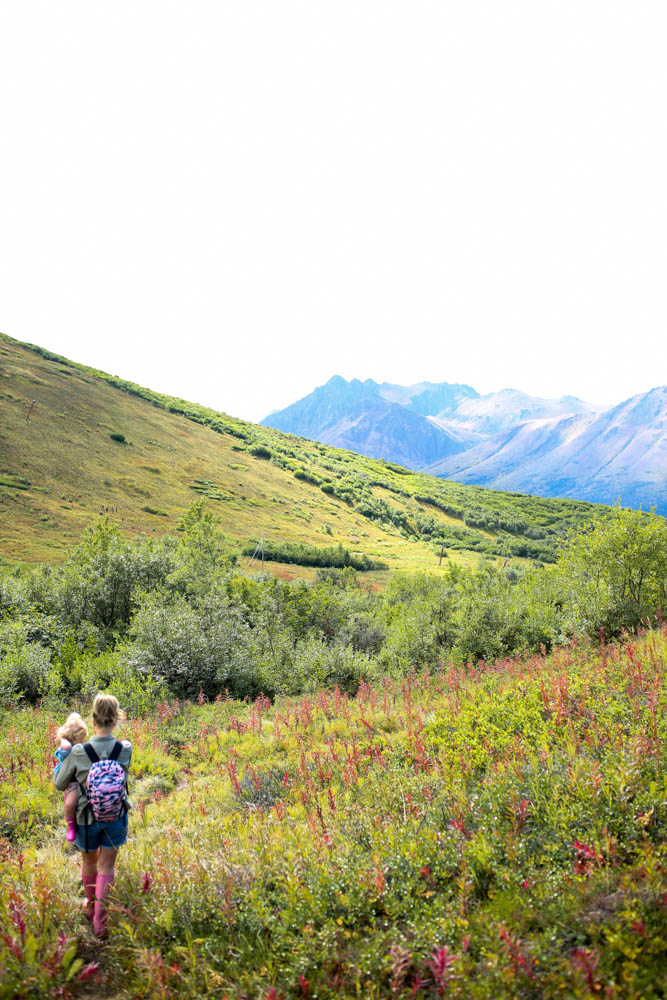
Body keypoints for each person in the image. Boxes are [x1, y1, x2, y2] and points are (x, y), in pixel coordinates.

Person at [53, 693, 132, 937]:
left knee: (89, 861)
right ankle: (101, 920)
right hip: (115, 817)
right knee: (107, 865)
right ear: (116, 719)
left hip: (86, 819)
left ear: (93, 718)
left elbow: (58, 783)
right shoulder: (125, 748)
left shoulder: (79, 751)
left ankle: (89, 907)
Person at [53, 712, 88, 842]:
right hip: (70, 780)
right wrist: (63, 738)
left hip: (79, 777)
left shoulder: (79, 745)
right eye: (81, 739)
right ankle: (71, 826)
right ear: (73, 738)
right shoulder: (66, 747)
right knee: (70, 803)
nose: (83, 742)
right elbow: (66, 745)